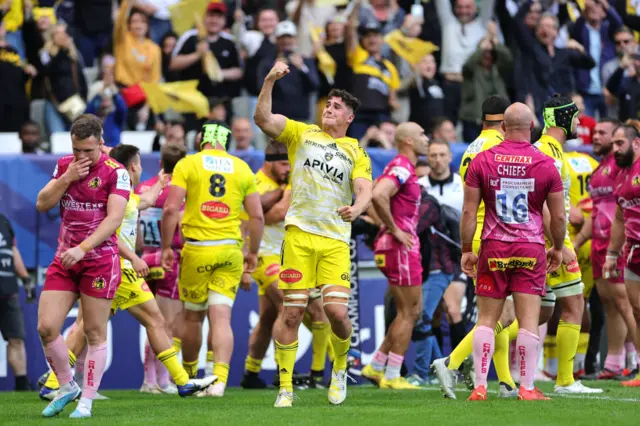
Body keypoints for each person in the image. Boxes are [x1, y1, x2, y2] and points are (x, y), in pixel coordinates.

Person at [40, 144, 216, 408]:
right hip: (116, 268)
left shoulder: (126, 195)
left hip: (110, 266)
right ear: (134, 166)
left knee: (89, 327)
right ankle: (180, 381)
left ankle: (54, 384)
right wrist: (132, 257)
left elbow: (144, 200)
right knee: (151, 320)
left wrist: (160, 182)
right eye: (140, 163)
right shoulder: (114, 198)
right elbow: (109, 232)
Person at [255, 62, 373, 407]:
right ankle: (286, 388)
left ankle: (339, 368)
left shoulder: (356, 150)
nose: (329, 109)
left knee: (337, 314)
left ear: (349, 117)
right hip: (299, 237)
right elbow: (263, 118)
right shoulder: (301, 133)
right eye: (328, 104)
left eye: (337, 107)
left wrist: (358, 208)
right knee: (291, 313)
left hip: (335, 239)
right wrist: (268, 81)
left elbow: (365, 188)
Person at [461, 102, 566, 401]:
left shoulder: (482, 160)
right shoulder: (545, 163)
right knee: (529, 319)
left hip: (494, 245)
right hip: (531, 247)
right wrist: (557, 247)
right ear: (532, 128)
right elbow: (558, 217)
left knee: (486, 319)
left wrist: (467, 249)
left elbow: (469, 211)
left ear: (503, 128)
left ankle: (480, 386)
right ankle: (527, 387)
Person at [35, 115, 130, 418]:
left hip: (98, 260)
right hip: (65, 259)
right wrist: (67, 178)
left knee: (93, 331)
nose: (81, 157)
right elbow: (42, 203)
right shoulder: (65, 166)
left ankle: (87, 401)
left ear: (101, 143)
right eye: (77, 150)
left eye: (88, 151)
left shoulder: (117, 172)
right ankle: (67, 387)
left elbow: (114, 219)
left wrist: (83, 248)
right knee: (47, 327)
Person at [161, 120, 264, 397]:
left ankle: (191, 378)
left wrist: (166, 247)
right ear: (226, 143)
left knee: (193, 317)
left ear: (200, 141)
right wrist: (252, 252)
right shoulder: (241, 167)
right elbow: (257, 216)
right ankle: (218, 380)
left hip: (198, 248)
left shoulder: (188, 164)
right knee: (221, 318)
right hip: (230, 249)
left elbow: (171, 209)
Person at [433, 96, 521, 399]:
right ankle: (451, 361)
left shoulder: (470, 149)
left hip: (479, 235)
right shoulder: (503, 148)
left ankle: (506, 382)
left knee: (497, 313)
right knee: (500, 317)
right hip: (499, 234)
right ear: (506, 122)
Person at [533, 94, 602, 394]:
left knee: (539, 313)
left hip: (539, 240)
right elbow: (545, 207)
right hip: (551, 242)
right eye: (574, 117)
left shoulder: (546, 150)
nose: (578, 122)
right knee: (574, 303)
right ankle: (565, 381)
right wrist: (558, 245)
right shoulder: (549, 154)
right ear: (562, 118)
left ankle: (459, 357)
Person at [361, 122, 429, 390]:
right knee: (409, 312)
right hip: (400, 248)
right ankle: (391, 375)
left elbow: (371, 195)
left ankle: (376, 366)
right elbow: (378, 195)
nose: (427, 138)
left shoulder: (398, 166)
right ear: (409, 141)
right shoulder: (402, 166)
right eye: (422, 134)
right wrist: (395, 230)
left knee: (410, 310)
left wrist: (385, 227)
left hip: (393, 247)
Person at [573, 118, 635, 379]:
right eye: (594, 132)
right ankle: (613, 362)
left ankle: (635, 360)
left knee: (627, 304)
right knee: (609, 304)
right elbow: (596, 213)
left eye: (603, 133)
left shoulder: (625, 169)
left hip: (619, 245)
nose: (595, 136)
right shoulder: (600, 171)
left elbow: (623, 213)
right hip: (600, 246)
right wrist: (577, 243)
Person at [136, 143, 188, 394]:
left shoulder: (145, 187)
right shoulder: (180, 192)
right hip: (171, 259)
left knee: (151, 323)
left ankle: (149, 381)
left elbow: (134, 229)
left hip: (145, 257)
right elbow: (182, 226)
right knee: (166, 324)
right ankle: (164, 381)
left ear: (160, 163)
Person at [240, 140, 291, 389]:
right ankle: (284, 374)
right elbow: (264, 216)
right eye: (283, 164)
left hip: (284, 256)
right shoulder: (254, 182)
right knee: (288, 306)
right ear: (268, 162)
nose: (288, 168)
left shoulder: (284, 183)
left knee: (268, 318)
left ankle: (251, 372)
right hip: (262, 257)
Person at [603, 121, 640, 387]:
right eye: (613, 144)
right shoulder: (620, 174)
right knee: (636, 310)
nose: (614, 149)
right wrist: (612, 254)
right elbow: (619, 217)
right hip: (632, 253)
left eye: (620, 144)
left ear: (636, 143)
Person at [563, 146, 600, 377]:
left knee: (555, 304)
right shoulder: (591, 162)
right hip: (591, 234)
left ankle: (551, 365)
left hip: (565, 240)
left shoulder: (555, 160)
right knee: (581, 302)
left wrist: (568, 209)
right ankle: (578, 364)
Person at [0, 213, 35, 391]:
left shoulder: (4, 221)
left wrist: (26, 278)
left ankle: (21, 384)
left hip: (8, 291)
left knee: (16, 339)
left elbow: (13, 252)